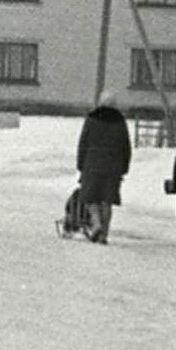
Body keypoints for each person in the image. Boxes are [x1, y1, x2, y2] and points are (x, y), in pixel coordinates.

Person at [76, 91, 131, 244]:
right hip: (113, 168)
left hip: (92, 165)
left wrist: (80, 165)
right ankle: (104, 235)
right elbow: (126, 146)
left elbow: (83, 143)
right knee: (107, 201)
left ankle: (96, 224)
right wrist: (124, 167)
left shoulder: (92, 119)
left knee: (90, 198)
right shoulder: (120, 122)